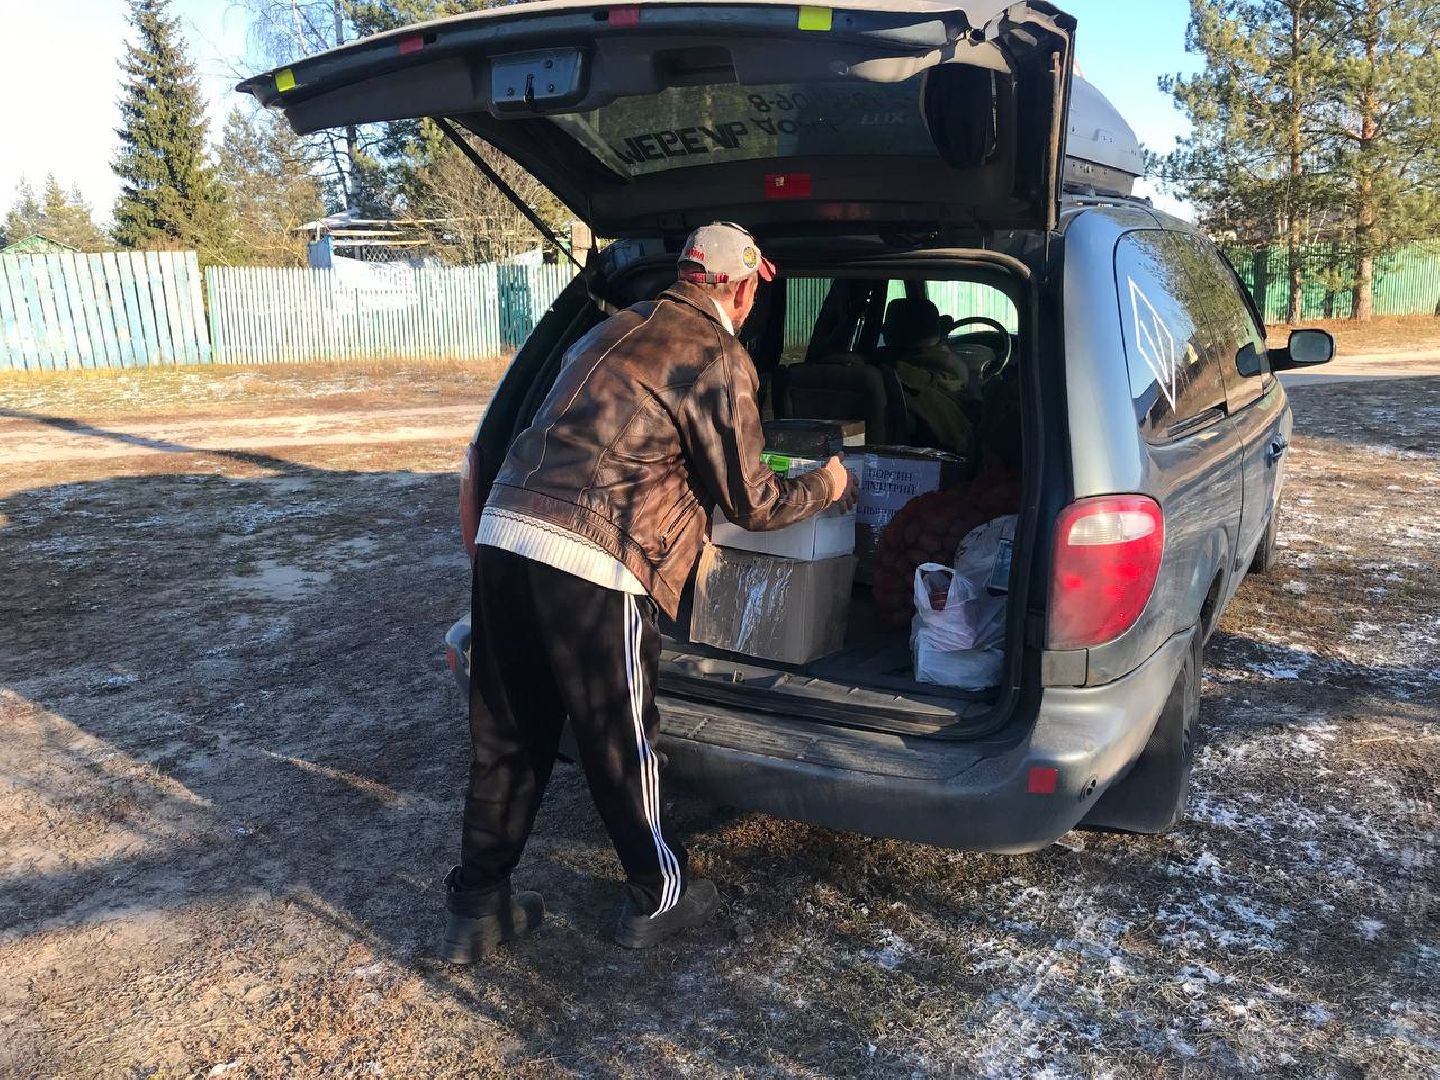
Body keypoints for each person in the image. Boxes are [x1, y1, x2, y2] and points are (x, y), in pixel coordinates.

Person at [440, 222, 858, 961]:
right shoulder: (714, 354)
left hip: (506, 536)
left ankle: (478, 906)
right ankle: (660, 894)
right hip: (593, 558)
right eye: (760, 285)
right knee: (620, 736)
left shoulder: (610, 328)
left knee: (508, 733)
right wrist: (828, 484)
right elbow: (755, 504)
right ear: (741, 284)